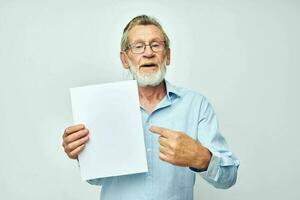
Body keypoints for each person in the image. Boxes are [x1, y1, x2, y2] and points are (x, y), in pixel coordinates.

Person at [62, 15, 239, 200]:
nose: (148, 53)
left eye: (156, 45)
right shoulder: (101, 106)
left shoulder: (196, 105)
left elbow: (229, 178)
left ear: (167, 55)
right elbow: (96, 180)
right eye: (138, 46)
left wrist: (202, 158)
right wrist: (82, 152)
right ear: (124, 59)